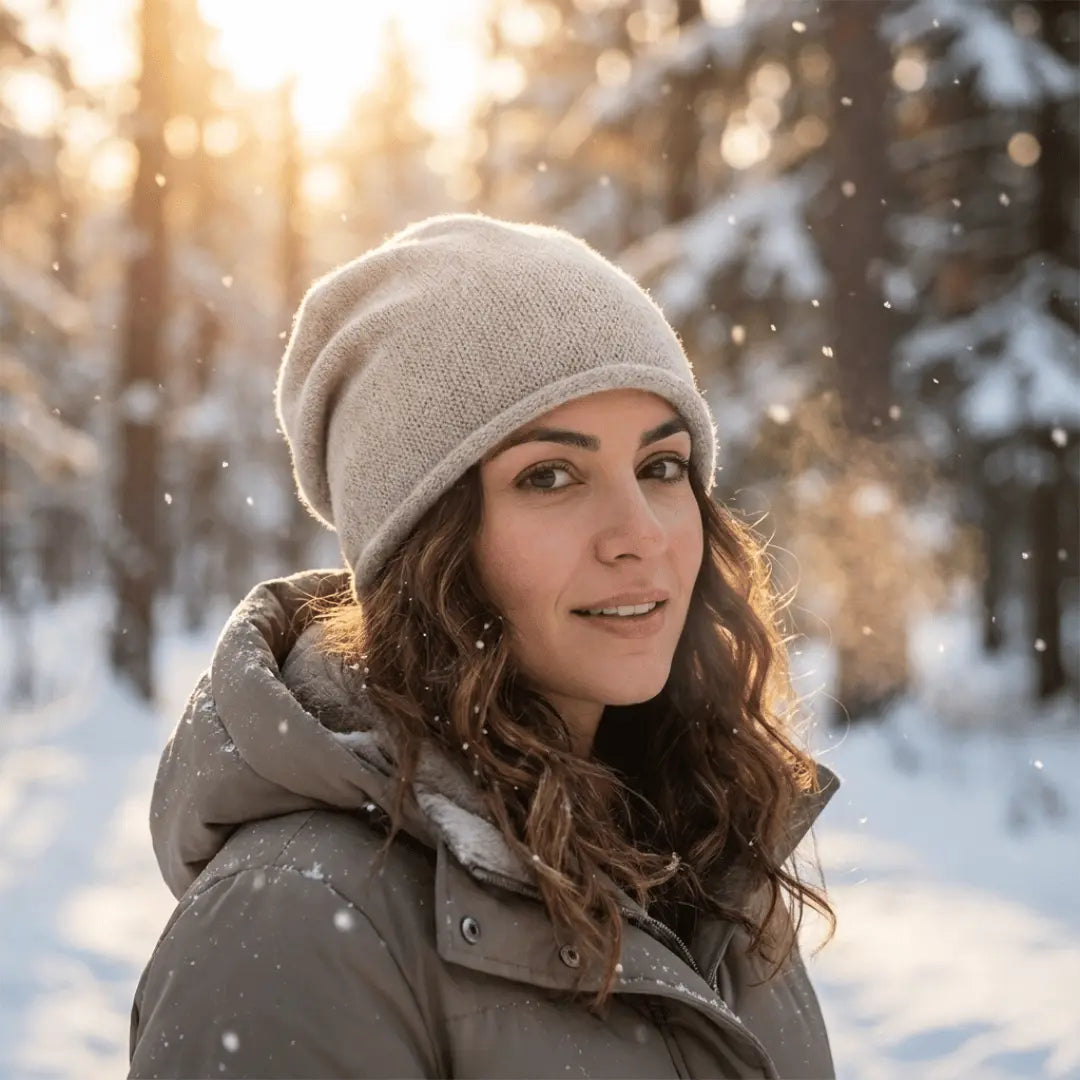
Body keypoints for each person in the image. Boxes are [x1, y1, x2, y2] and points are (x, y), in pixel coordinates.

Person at [128, 213, 839, 1079]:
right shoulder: (292, 927)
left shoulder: (705, 851)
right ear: (429, 547)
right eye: (550, 476)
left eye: (661, 466)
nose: (640, 533)